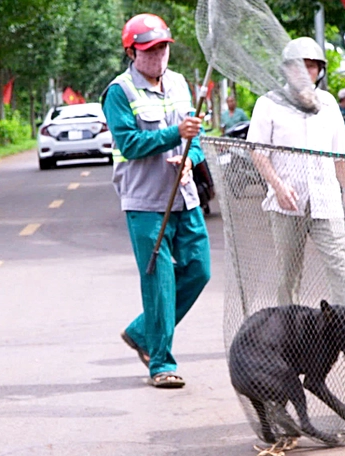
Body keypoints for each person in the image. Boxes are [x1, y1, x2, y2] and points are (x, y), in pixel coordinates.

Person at [101, 13, 211, 389]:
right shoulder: (119, 92)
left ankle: (141, 331)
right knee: (159, 281)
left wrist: (190, 158)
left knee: (199, 269)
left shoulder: (180, 84)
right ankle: (161, 363)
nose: (159, 56)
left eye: (163, 47)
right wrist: (173, 135)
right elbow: (129, 143)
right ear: (131, 52)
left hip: (184, 196)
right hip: (146, 202)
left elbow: (195, 137)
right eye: (150, 50)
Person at [246, 37, 345, 333]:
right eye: (300, 67)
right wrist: (277, 186)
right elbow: (258, 151)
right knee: (289, 271)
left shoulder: (326, 104)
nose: (306, 73)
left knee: (339, 264)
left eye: (313, 67)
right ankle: (287, 328)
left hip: (325, 198)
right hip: (286, 201)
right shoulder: (268, 104)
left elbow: (339, 152)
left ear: (320, 71)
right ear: (287, 70)